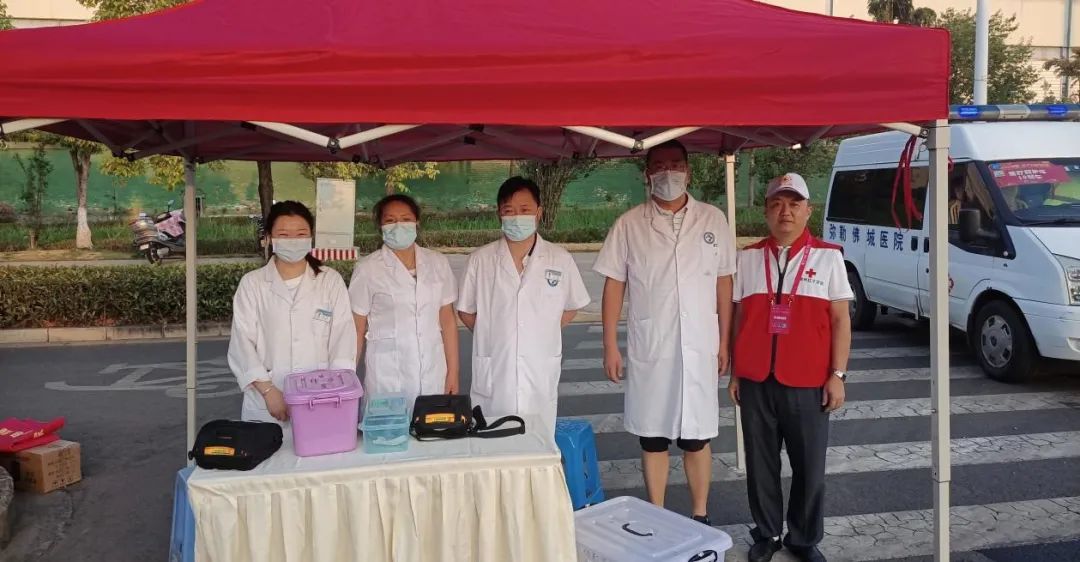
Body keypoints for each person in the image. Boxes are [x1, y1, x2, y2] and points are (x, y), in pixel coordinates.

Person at [593, 139, 736, 525]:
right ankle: (656, 514)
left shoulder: (713, 219)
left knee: (696, 436)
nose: (667, 172)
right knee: (653, 435)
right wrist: (610, 345)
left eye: (675, 164)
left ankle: (700, 514)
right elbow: (614, 285)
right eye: (659, 165)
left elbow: (724, 282)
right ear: (647, 174)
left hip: (700, 343)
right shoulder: (629, 224)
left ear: (688, 171)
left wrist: (725, 341)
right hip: (652, 345)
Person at [728, 173, 852, 562]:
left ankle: (803, 538)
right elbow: (739, 319)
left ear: (808, 211)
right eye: (777, 204)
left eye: (794, 204)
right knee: (760, 464)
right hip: (756, 379)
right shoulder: (748, 257)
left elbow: (840, 320)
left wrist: (838, 374)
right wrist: (735, 372)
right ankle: (766, 533)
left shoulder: (828, 256)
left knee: (809, 466)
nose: (786, 212)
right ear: (766, 211)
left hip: (808, 380)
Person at [456, 176, 590, 433]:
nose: (517, 217)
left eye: (525, 209)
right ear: (499, 214)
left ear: (539, 212)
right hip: (495, 373)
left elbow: (572, 306)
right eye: (509, 211)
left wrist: (541, 331)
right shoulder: (480, 260)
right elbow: (466, 310)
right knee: (494, 443)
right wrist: (494, 333)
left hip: (539, 371)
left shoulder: (559, 258)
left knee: (538, 442)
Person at [227, 201, 358, 423]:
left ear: (311, 236)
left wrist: (333, 393)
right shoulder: (252, 284)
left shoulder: (330, 281)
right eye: (284, 234)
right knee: (268, 445)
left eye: (300, 234)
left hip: (322, 401)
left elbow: (343, 341)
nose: (293, 240)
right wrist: (268, 391)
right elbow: (242, 343)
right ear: (269, 237)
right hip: (267, 403)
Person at [349, 194, 460, 404]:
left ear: (417, 222)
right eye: (390, 220)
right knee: (389, 425)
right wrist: (348, 378)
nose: (398, 226)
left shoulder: (438, 263)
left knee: (432, 422)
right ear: (380, 226)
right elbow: (357, 327)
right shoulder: (367, 269)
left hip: (433, 373)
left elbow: (447, 320)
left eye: (406, 219)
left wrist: (453, 371)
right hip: (387, 377)